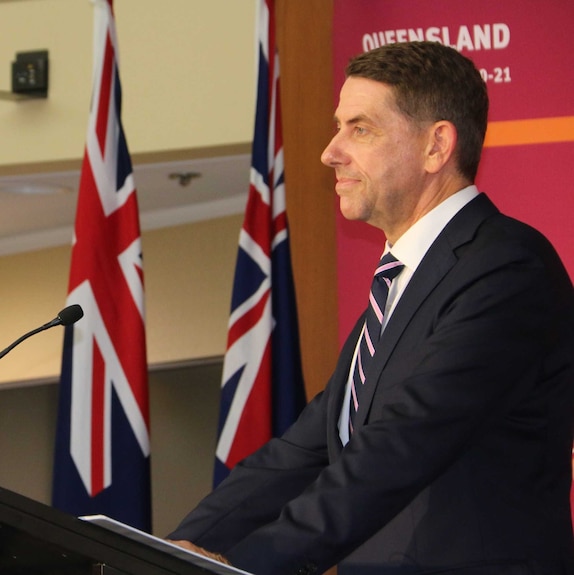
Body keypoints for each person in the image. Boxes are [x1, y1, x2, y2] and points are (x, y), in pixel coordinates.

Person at [168, 41, 574, 575]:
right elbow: (303, 453)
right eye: (340, 127)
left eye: (361, 129)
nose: (329, 151)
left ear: (436, 147)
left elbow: (402, 445)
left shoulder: (505, 268)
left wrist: (249, 566)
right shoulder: (401, 287)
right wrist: (169, 554)